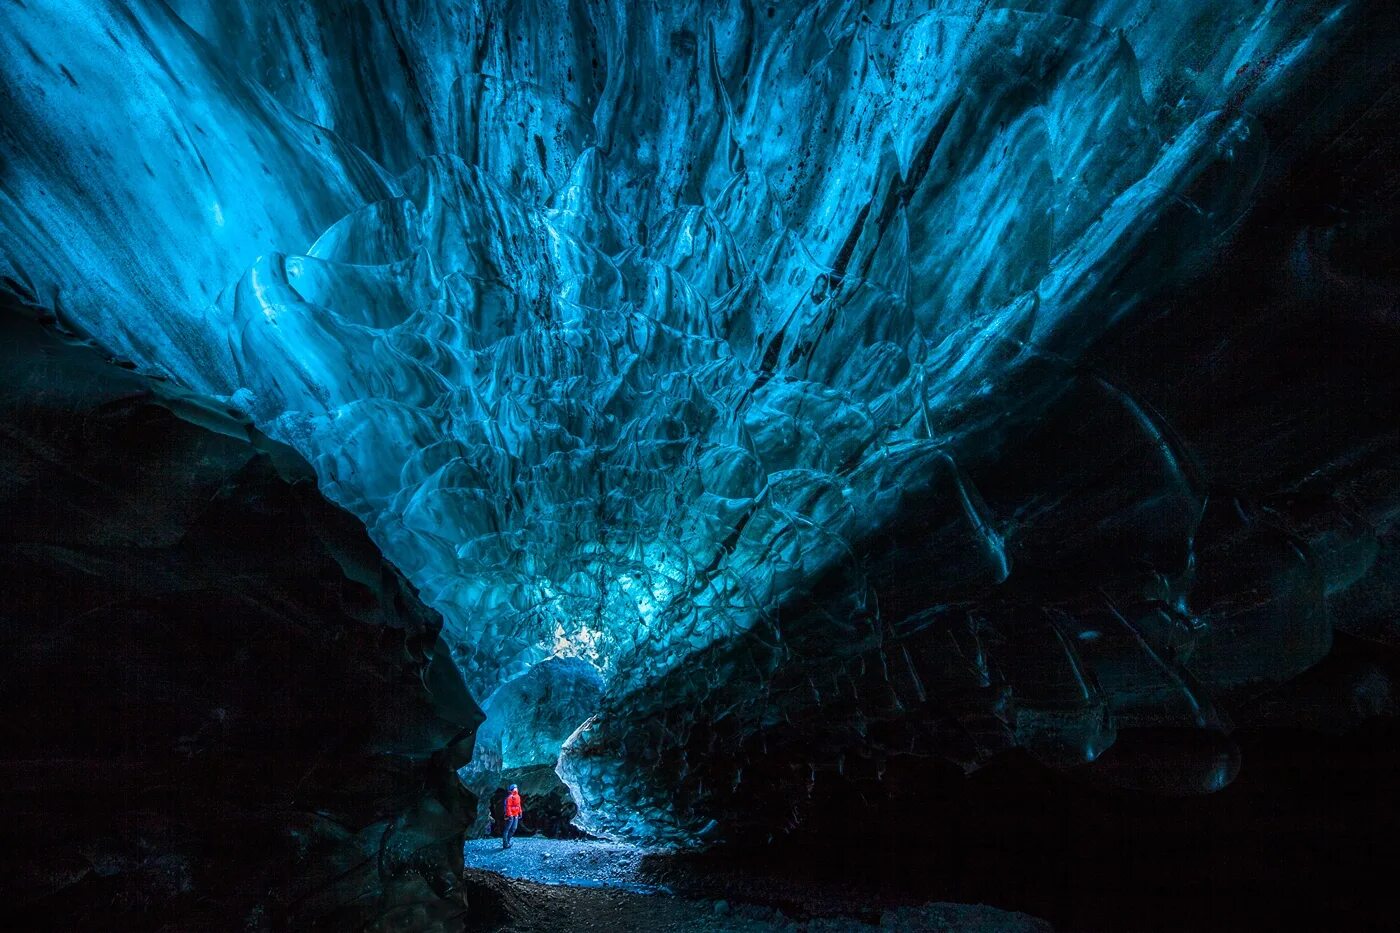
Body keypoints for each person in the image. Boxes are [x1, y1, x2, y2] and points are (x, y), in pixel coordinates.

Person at [502, 784, 523, 849]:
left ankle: (507, 842)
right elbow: (508, 807)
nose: (516, 789)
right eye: (514, 788)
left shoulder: (518, 796)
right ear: (512, 789)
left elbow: (519, 805)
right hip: (510, 815)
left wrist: (520, 812)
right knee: (507, 829)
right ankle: (505, 844)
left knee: (514, 828)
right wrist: (510, 815)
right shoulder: (510, 797)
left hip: (515, 814)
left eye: (516, 787)